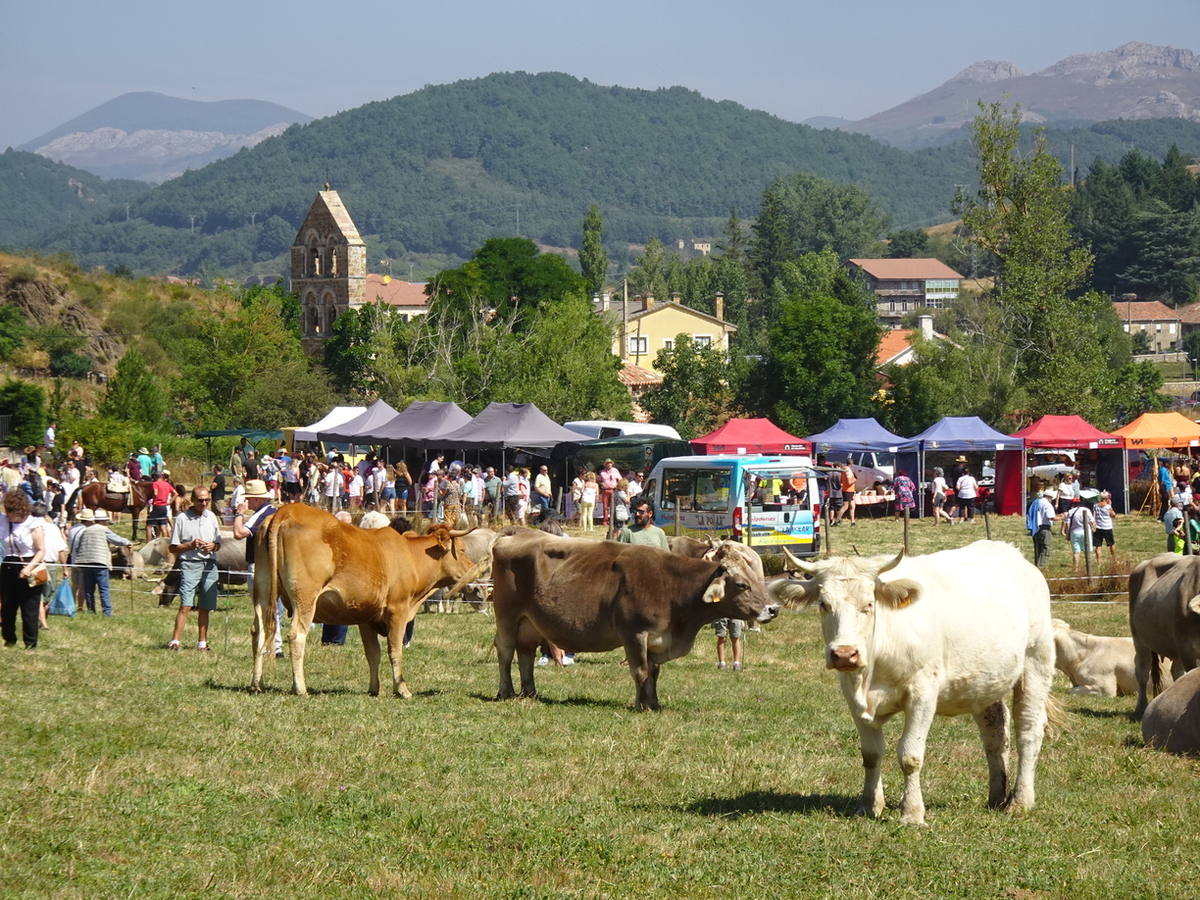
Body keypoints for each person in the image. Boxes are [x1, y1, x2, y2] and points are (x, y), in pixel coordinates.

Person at [166, 487, 223, 651]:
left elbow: (219, 544)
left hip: (210, 565)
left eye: (207, 500)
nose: (204, 503)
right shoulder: (182, 518)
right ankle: (175, 641)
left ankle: (202, 643)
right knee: (186, 605)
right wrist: (190, 545)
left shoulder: (211, 516)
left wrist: (213, 546)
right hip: (190, 564)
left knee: (206, 605)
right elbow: (173, 548)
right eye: (200, 500)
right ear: (192, 500)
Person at [231, 480, 281, 656]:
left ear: (257, 500)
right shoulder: (274, 511)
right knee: (273, 608)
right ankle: (276, 645)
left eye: (249, 499)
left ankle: (270, 645)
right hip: (275, 567)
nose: (247, 503)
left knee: (262, 608)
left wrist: (239, 513)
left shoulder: (261, 513)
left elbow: (239, 533)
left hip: (260, 566)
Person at [1, 489, 47, 649]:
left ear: (19, 510)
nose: (7, 514)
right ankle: (9, 639)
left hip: (29, 563)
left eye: (10, 511)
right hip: (8, 563)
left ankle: (30, 642)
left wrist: (28, 568)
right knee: (7, 604)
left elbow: (41, 550)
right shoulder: (4, 521)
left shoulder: (33, 524)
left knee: (29, 606)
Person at [68, 508, 131, 616]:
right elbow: (115, 539)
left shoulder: (86, 530)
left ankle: (91, 610)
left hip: (85, 562)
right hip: (100, 562)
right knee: (103, 589)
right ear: (102, 521)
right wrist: (127, 542)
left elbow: (78, 546)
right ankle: (106, 612)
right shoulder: (103, 529)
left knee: (88, 589)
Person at [1061, 495, 1096, 575]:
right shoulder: (1086, 510)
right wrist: (1093, 528)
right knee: (1087, 551)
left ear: (1072, 504)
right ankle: (1089, 567)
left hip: (1075, 532)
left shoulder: (1070, 511)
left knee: (1076, 552)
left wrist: (1067, 534)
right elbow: (1092, 522)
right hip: (1086, 532)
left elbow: (1068, 524)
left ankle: (1076, 568)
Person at [1026, 489, 1056, 569]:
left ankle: (1036, 565)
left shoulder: (1036, 502)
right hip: (1045, 528)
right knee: (1046, 548)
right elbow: (1050, 517)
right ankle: (1041, 567)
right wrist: (1061, 517)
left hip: (1036, 527)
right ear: (1050, 497)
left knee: (1038, 548)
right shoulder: (1047, 504)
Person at [146, 470, 174, 540]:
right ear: (162, 476)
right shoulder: (167, 484)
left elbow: (155, 493)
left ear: (155, 477)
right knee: (163, 526)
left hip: (157, 505)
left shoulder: (155, 483)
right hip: (164, 506)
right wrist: (170, 502)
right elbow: (175, 493)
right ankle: (164, 544)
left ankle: (148, 543)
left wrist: (154, 502)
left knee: (149, 526)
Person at [1092, 490, 1117, 564]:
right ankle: (1114, 559)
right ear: (1107, 498)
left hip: (1098, 527)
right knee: (1111, 544)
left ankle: (1099, 562)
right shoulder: (1108, 506)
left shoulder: (1095, 505)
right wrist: (1111, 506)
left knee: (1098, 545)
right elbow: (1113, 515)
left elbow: (1094, 515)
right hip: (1107, 527)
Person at [833, 462, 857, 526]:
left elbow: (841, 481)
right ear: (852, 464)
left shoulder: (843, 470)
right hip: (848, 491)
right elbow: (849, 482)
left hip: (849, 490)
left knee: (853, 506)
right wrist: (854, 479)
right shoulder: (847, 470)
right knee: (845, 506)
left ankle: (852, 522)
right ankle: (837, 521)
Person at [597, 459, 620, 524]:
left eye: (610, 463)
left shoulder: (615, 471)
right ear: (605, 464)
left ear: (612, 464)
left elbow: (620, 480)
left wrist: (617, 485)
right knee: (605, 507)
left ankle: (613, 520)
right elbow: (598, 480)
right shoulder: (602, 472)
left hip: (613, 490)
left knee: (614, 506)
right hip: (605, 490)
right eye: (607, 463)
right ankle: (605, 521)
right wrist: (601, 483)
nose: (609, 464)